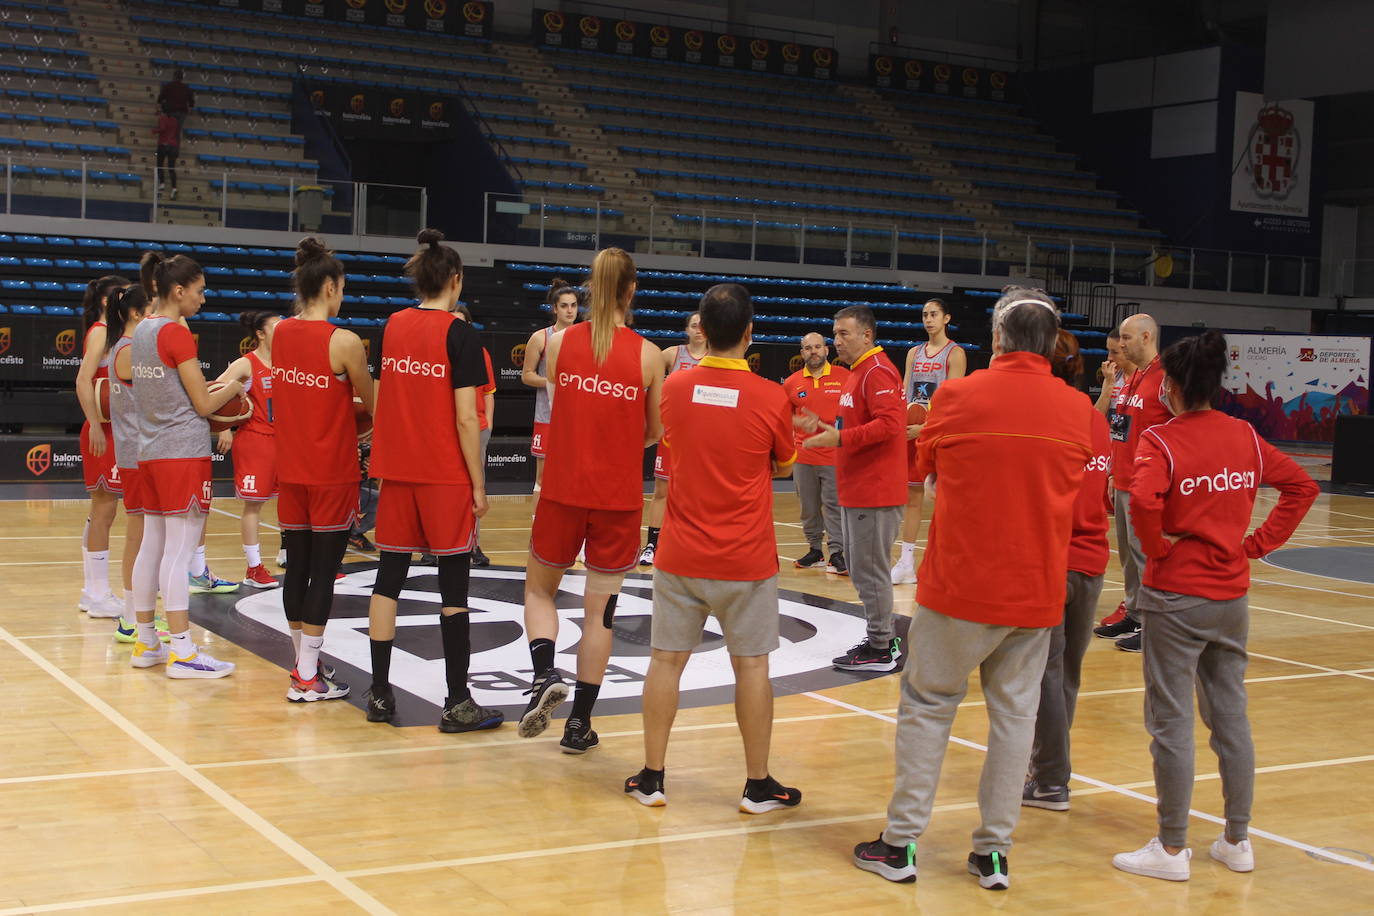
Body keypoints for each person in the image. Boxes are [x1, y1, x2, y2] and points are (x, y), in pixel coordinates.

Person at [851, 288, 1094, 890]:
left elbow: (926, 471)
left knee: (929, 707)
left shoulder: (958, 395)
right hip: (1035, 593)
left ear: (998, 340)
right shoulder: (1077, 409)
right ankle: (992, 854)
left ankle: (901, 843)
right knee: (1015, 720)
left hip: (961, 587)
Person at [1111, 330, 1317, 881]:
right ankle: (1237, 839)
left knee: (1170, 721)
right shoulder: (1246, 437)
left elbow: (1143, 506)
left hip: (1175, 597)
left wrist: (1156, 550)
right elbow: (1301, 487)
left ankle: (1173, 849)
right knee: (1231, 718)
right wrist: (1256, 546)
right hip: (1231, 596)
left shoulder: (1161, 441)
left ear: (1171, 387)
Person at [626, 283, 801, 812]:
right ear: (750, 334)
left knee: (664, 663)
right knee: (751, 668)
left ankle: (653, 777)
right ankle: (757, 785)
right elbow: (785, 464)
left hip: (680, 552)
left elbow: (673, 444)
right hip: (745, 559)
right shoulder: (773, 396)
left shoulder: (676, 387)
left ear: (700, 327)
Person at [519, 247, 662, 753]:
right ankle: (579, 724)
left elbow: (568, 409)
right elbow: (654, 431)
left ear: (589, 291)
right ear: (631, 291)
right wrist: (620, 442)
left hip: (562, 488)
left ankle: (543, 674)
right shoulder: (648, 355)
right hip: (617, 497)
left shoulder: (559, 345)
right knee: (600, 613)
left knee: (539, 592)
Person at [364, 229, 503, 731]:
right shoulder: (461, 334)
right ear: (456, 280)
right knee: (453, 591)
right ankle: (457, 702)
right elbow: (468, 419)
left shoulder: (391, 326)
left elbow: (379, 402)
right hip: (443, 476)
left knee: (388, 582)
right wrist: (479, 484)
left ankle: (379, 695)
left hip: (396, 472)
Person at [128, 253, 243, 678]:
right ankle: (183, 652)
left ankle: (146, 641)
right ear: (178, 290)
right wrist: (234, 386)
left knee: (151, 547)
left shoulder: (141, 330)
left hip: (150, 450)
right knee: (177, 552)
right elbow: (203, 403)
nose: (203, 298)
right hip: (182, 452)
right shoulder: (176, 334)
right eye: (200, 290)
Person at [271, 237, 374, 702]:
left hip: (290, 467)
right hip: (331, 472)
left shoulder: (279, 334)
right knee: (324, 572)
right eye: (343, 287)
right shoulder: (345, 341)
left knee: (297, 569)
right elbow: (373, 404)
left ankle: (304, 663)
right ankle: (307, 675)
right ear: (330, 286)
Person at [1022, 330, 1111, 812]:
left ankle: (1052, 778)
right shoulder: (1094, 419)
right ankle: (1048, 767)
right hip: (1092, 561)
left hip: (1053, 560)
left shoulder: (1045, 414)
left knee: (1047, 675)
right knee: (1065, 674)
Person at [800, 306, 906, 672]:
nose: (836, 340)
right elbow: (861, 422)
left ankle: (882, 648)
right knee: (863, 571)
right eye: (835, 333)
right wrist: (827, 425)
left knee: (869, 571)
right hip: (858, 488)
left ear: (867, 336)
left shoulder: (876, 371)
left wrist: (841, 436)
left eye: (844, 333)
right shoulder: (859, 372)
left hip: (874, 491)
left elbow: (891, 425)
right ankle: (881, 638)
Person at [1094, 313, 1168, 652]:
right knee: (1127, 556)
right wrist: (1111, 470)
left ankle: (1157, 625)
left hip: (1148, 485)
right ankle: (1135, 613)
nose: (1119, 345)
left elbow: (1184, 430)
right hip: (1122, 479)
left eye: (1126, 338)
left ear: (1146, 337)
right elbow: (1121, 428)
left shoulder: (1167, 379)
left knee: (1146, 557)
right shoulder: (1134, 376)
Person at [105, 284, 169, 646]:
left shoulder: (125, 348)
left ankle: (136, 612)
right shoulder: (128, 352)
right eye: (151, 309)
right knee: (139, 537)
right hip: (136, 453)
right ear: (135, 314)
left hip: (136, 451)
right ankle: (131, 618)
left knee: (143, 536)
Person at [891, 298, 966, 586]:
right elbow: (905, 392)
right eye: (924, 314)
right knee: (912, 498)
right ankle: (907, 562)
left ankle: (947, 562)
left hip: (940, 432)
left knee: (945, 500)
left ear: (946, 318)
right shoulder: (913, 353)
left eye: (934, 314)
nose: (928, 319)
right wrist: (904, 422)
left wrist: (925, 427)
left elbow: (952, 401)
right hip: (913, 429)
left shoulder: (955, 354)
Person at [74, 275, 131, 619]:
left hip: (116, 429)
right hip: (103, 431)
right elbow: (83, 380)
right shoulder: (99, 331)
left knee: (102, 511)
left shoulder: (116, 334)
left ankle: (91, 591)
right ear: (109, 302)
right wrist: (95, 423)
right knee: (105, 511)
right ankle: (96, 594)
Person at [214, 310, 281, 589]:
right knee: (254, 505)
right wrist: (224, 427)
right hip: (256, 440)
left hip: (285, 440)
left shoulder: (288, 362)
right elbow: (216, 390)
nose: (283, 331)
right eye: (277, 327)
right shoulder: (246, 363)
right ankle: (254, 567)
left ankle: (298, 559)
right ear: (261, 334)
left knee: (293, 504)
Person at [639, 311, 705, 567]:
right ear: (686, 330)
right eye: (694, 325)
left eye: (702, 325)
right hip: (671, 436)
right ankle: (652, 545)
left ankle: (693, 544)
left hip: (702, 438)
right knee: (661, 492)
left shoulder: (716, 358)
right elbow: (646, 379)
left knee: (699, 494)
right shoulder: (671, 354)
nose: (699, 329)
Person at [782, 331, 849, 573]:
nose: (813, 352)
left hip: (833, 455)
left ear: (826, 350)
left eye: (817, 347)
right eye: (808, 348)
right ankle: (815, 550)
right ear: (802, 353)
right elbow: (782, 417)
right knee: (808, 507)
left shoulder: (845, 377)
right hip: (804, 456)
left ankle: (837, 553)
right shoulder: (792, 382)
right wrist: (795, 425)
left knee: (833, 505)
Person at [522, 278, 581, 514]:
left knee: (576, 476)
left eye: (574, 305)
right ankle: (539, 527)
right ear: (555, 308)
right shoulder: (540, 338)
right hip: (547, 416)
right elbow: (526, 375)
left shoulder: (587, 336)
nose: (570, 310)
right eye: (564, 305)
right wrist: (553, 383)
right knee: (543, 478)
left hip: (577, 419)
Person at [1095, 328, 1136, 627]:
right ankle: (1132, 605)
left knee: (1139, 548)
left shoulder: (1153, 382)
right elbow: (1098, 421)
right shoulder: (1118, 380)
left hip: (1143, 476)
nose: (1110, 358)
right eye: (1108, 352)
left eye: (1115, 352)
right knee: (1125, 547)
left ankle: (1141, 609)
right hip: (1118, 470)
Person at [451, 304, 495, 569]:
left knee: (476, 490)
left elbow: (488, 391)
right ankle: (437, 545)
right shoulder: (439, 351)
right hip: (445, 428)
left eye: (461, 323)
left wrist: (487, 425)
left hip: (475, 427)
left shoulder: (480, 352)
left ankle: (473, 544)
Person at [156, 69, 193, 138]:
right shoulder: (186, 88)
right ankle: (175, 147)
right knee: (177, 131)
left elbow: (160, 98)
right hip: (182, 112)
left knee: (169, 129)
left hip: (171, 110)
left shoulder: (168, 86)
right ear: (182, 78)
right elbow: (191, 101)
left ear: (174, 77)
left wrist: (159, 108)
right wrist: (190, 108)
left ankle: (167, 145)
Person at [154, 104, 179, 200]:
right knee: (171, 167)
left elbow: (163, 129)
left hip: (164, 144)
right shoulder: (175, 120)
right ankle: (174, 188)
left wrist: (154, 131)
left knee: (160, 164)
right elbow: (176, 132)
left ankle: (162, 183)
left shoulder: (162, 118)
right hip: (173, 145)